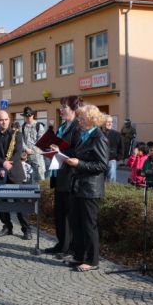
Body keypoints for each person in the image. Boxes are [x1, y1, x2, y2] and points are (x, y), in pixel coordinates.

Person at [63, 104, 108, 272]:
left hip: (91, 188)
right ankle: (79, 256)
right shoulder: (85, 135)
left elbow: (102, 165)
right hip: (79, 186)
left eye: (81, 118)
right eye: (79, 118)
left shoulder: (99, 137)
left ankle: (92, 260)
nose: (79, 121)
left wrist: (79, 164)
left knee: (89, 225)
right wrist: (62, 152)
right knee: (77, 223)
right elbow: (77, 152)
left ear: (91, 120)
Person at [44, 96, 81, 257]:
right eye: (61, 107)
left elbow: (77, 152)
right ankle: (61, 244)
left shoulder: (77, 128)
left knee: (69, 214)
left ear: (74, 109)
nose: (61, 109)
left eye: (64, 107)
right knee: (59, 213)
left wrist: (59, 150)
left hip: (70, 176)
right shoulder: (62, 127)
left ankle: (70, 247)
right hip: (58, 174)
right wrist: (50, 149)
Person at [0, 110, 32, 239]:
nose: (4, 122)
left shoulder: (16, 134)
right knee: (2, 202)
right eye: (1, 120)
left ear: (9, 120)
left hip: (15, 172)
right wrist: (3, 163)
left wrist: (8, 165)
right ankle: (7, 226)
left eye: (6, 119)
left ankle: (26, 229)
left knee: (20, 202)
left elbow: (18, 153)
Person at [21, 107, 46, 181]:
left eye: (29, 116)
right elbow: (21, 140)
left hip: (37, 157)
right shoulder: (23, 126)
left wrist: (32, 150)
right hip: (26, 157)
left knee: (40, 178)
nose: (28, 118)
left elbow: (41, 141)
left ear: (32, 115)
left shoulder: (39, 126)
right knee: (28, 177)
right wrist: (26, 149)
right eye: (26, 116)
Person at [102, 115, 123, 183]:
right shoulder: (97, 133)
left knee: (111, 181)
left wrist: (117, 158)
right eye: (108, 122)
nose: (110, 123)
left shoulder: (117, 134)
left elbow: (121, 148)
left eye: (111, 122)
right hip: (100, 160)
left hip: (111, 160)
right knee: (100, 181)